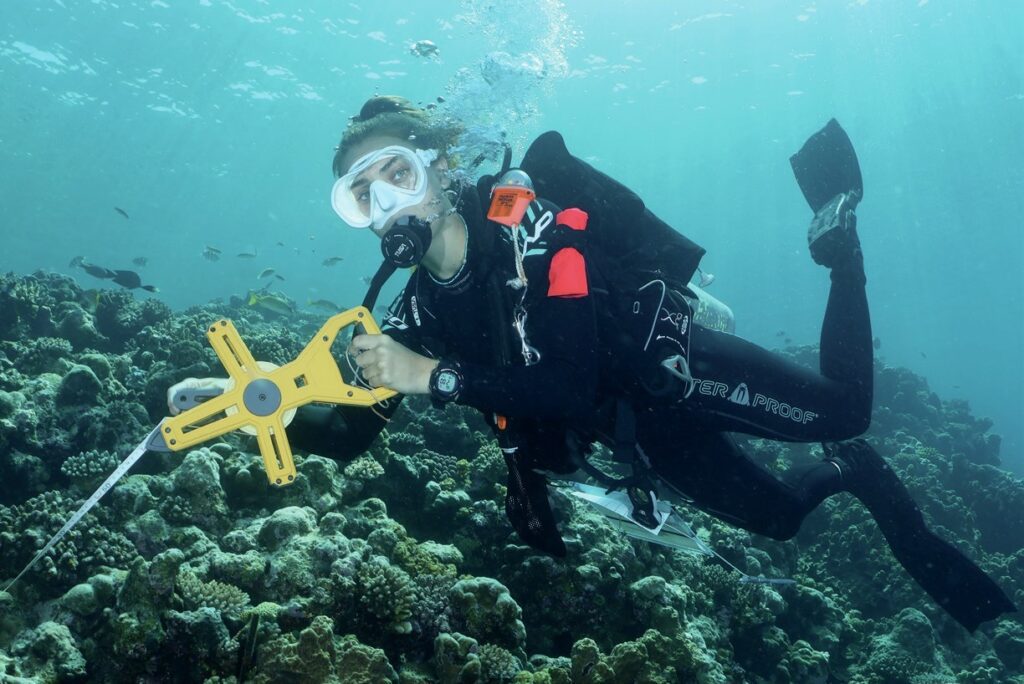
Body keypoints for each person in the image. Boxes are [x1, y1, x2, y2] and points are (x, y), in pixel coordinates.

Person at [169, 96, 1015, 632]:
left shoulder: (527, 221)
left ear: (441, 169)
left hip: (670, 365)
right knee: (783, 520)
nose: (387, 202)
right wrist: (264, 408)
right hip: (635, 432)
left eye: (400, 173)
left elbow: (564, 378)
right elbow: (350, 435)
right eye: (363, 194)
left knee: (846, 407)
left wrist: (429, 377)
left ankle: (840, 244)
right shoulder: (414, 316)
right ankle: (848, 473)